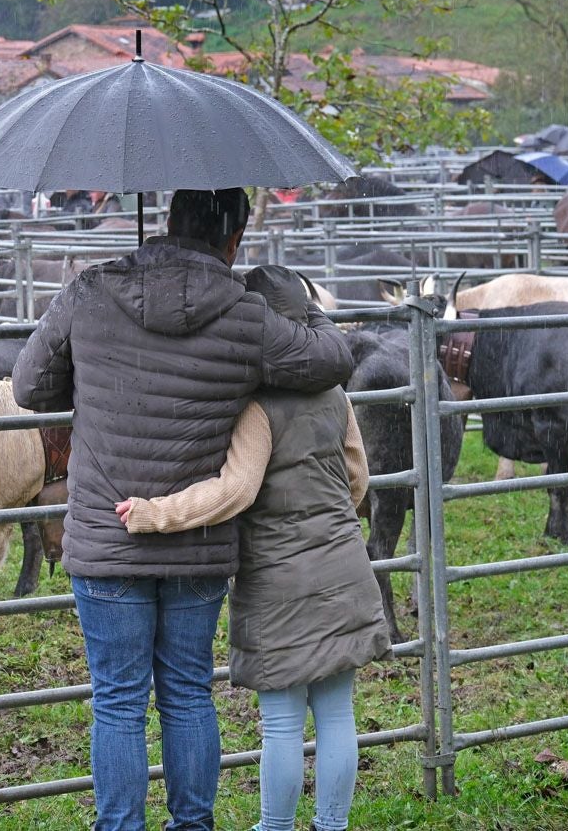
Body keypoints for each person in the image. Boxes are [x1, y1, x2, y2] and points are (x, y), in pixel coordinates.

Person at [12, 188, 354, 831]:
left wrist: (92, 369)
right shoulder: (248, 314)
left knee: (117, 703)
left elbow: (29, 385)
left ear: (167, 220)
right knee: (188, 693)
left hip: (107, 534)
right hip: (199, 540)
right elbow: (331, 361)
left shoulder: (88, 292)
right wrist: (304, 305)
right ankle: (193, 825)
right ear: (235, 239)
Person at [119, 266, 390, 831]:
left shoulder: (255, 406)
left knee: (283, 724)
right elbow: (356, 479)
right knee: (338, 712)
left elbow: (235, 491)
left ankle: (274, 826)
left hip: (279, 580)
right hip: (345, 563)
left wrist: (154, 513)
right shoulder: (334, 392)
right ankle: (332, 824)